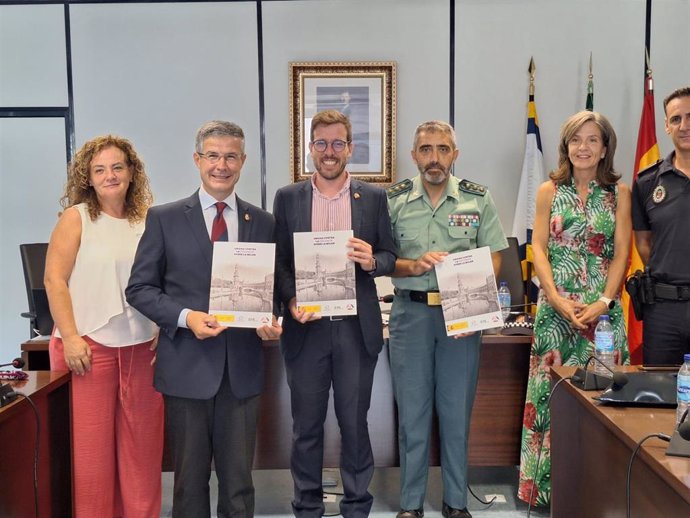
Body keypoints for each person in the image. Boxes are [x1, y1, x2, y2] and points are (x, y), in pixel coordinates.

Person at [125, 121, 282, 518]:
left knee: (239, 486)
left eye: (231, 156)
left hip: (241, 370)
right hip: (186, 369)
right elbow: (140, 289)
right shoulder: (164, 218)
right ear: (198, 159)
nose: (221, 165)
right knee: (189, 485)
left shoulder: (262, 222)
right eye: (213, 155)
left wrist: (272, 318)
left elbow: (275, 289)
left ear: (243, 162)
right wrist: (185, 316)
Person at [273, 109, 396, 517]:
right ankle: (307, 507)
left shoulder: (374, 197)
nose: (329, 151)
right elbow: (281, 264)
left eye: (337, 143)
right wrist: (290, 300)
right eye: (321, 143)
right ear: (310, 148)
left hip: (354, 331)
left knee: (354, 425)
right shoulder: (288, 197)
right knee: (305, 427)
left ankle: (357, 506)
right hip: (305, 330)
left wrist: (372, 260)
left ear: (350, 148)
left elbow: (391, 255)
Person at [387, 120, 507, 518]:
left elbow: (494, 256)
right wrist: (412, 264)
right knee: (413, 412)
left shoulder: (478, 198)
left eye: (442, 149)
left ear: (455, 154)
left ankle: (455, 503)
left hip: (461, 315)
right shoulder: (395, 200)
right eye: (426, 149)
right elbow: (384, 261)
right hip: (411, 314)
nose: (434, 158)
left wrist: (466, 284)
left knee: (456, 412)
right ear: (414, 155)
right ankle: (410, 505)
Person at [44, 135, 163, 518]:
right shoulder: (76, 217)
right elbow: (54, 281)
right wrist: (72, 337)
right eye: (100, 169)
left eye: (117, 167)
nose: (110, 175)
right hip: (88, 349)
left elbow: (162, 280)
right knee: (92, 457)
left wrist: (162, 325)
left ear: (131, 172)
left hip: (142, 347)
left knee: (142, 453)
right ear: (88, 177)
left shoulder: (149, 218)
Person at [518, 111, 631, 506]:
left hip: (602, 313)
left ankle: (604, 491)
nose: (583, 147)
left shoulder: (620, 194)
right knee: (552, 399)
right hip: (556, 314)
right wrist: (555, 296)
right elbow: (539, 250)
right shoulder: (549, 190)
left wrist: (603, 300)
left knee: (605, 399)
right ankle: (545, 493)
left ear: (605, 149)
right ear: (566, 147)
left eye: (592, 140)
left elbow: (621, 254)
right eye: (575, 140)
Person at [632, 86, 690, 365]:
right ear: (666, 126)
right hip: (663, 309)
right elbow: (643, 242)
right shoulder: (647, 182)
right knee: (660, 393)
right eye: (676, 119)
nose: (684, 126)